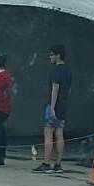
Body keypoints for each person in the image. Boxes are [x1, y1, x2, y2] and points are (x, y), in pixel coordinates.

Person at [37, 44, 73, 173]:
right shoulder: (68, 71)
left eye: (52, 54)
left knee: (48, 133)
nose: (50, 57)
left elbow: (55, 89)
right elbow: (68, 90)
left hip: (53, 105)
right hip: (63, 105)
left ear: (58, 55)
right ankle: (58, 164)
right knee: (59, 133)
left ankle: (46, 163)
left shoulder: (56, 71)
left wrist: (52, 107)